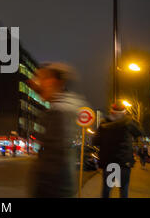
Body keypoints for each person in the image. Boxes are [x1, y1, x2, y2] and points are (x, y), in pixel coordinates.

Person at [28, 62, 87, 198]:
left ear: (53, 81)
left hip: (53, 190)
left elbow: (52, 163)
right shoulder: (63, 106)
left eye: (41, 79)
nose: (37, 83)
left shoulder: (60, 113)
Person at [93, 103, 142, 198]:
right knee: (123, 190)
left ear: (111, 111)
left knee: (107, 190)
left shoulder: (104, 123)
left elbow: (95, 141)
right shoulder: (129, 122)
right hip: (124, 163)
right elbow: (139, 132)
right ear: (124, 112)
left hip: (109, 163)